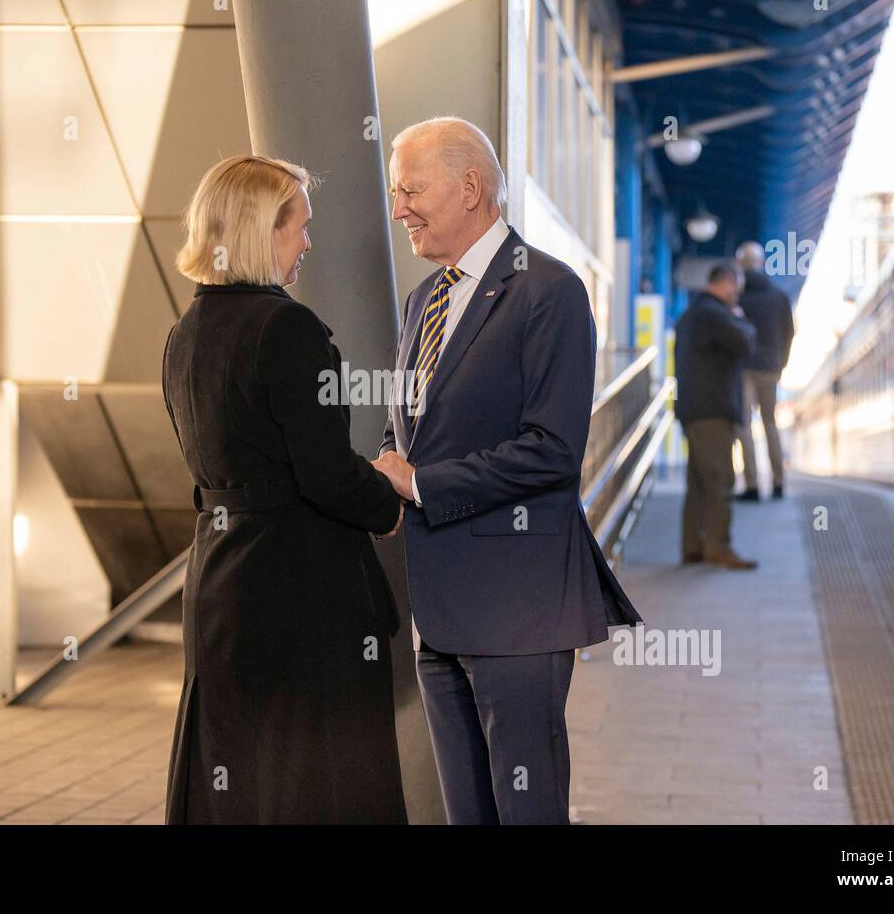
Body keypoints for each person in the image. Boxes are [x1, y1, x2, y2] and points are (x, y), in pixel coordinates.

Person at [371, 117, 641, 825]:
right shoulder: (422, 301)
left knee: (527, 812)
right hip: (439, 609)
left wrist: (421, 484)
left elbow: (552, 449)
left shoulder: (548, 290)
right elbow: (409, 430)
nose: (398, 208)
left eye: (410, 190)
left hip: (519, 612)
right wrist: (388, 467)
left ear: (470, 187)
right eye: (395, 193)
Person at [161, 155, 408, 823]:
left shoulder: (186, 333)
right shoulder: (286, 327)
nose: (307, 242)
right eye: (299, 226)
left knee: (239, 768)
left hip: (218, 582)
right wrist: (387, 499)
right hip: (298, 589)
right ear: (261, 231)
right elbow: (323, 472)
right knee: (315, 776)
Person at [674, 263, 760, 569]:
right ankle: (718, 548)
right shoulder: (716, 314)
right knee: (721, 480)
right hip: (713, 411)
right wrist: (741, 320)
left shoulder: (690, 315)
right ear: (728, 284)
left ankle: (692, 547)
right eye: (736, 290)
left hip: (694, 410)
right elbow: (746, 343)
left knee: (698, 483)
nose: (737, 296)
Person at [733, 241, 795, 501]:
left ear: (740, 264)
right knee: (771, 423)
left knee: (745, 425)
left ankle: (752, 485)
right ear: (761, 263)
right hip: (770, 367)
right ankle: (779, 482)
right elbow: (789, 332)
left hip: (743, 367)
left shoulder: (736, 295)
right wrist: (781, 363)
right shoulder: (779, 295)